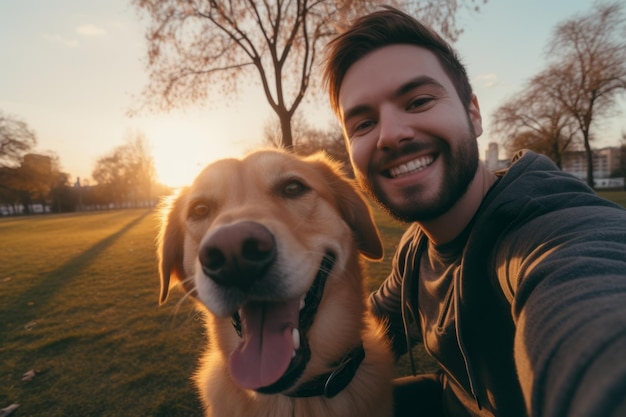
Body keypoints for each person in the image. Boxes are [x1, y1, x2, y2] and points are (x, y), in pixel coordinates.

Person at [323, 6, 626, 417]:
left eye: (418, 101)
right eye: (362, 124)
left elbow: (591, 308)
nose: (391, 134)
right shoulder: (417, 249)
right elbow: (369, 325)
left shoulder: (552, 235)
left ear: (473, 112)